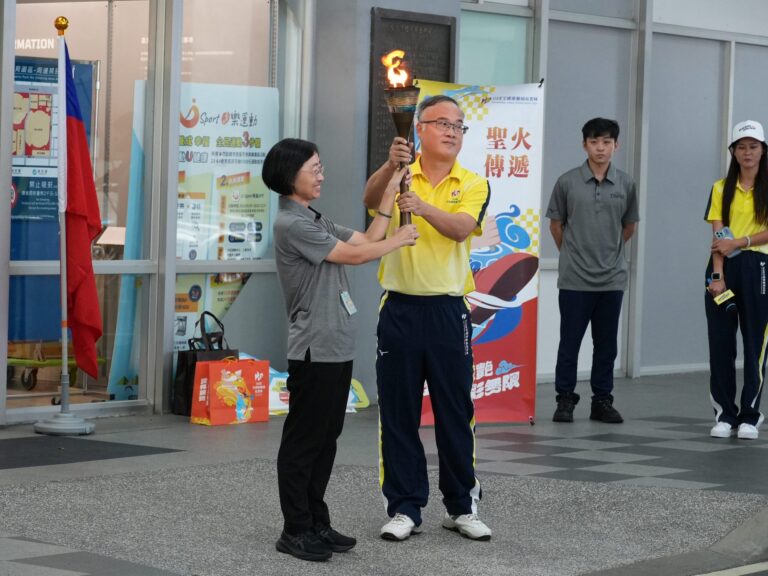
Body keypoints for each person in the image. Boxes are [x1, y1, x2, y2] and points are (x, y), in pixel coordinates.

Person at [263, 138, 418, 562]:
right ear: (289, 175)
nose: (321, 174)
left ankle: (316, 520)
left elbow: (368, 236)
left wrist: (390, 188)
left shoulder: (313, 218)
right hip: (314, 348)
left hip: (335, 346)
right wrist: (401, 238)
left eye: (320, 166)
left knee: (326, 438)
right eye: (314, 168)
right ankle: (294, 529)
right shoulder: (292, 225)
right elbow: (356, 256)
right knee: (304, 442)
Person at [363, 95, 492, 542]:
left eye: (459, 125)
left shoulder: (473, 183)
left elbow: (460, 228)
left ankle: (462, 506)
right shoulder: (401, 173)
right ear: (420, 128)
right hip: (398, 307)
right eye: (442, 123)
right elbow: (368, 199)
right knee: (398, 413)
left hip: (447, 310)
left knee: (454, 411)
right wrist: (390, 166)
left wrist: (421, 207)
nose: (453, 131)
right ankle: (404, 507)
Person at [546, 117, 639, 424]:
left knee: (607, 344)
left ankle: (602, 401)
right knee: (569, 342)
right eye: (595, 142)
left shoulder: (625, 183)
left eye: (607, 142)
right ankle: (564, 400)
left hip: (612, 278)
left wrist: (608, 252)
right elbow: (556, 225)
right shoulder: (567, 182)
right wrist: (573, 254)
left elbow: (628, 226)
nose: (601, 148)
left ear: (616, 145)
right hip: (574, 279)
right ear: (584, 144)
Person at [705, 120, 768, 440]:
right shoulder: (720, 187)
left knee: (755, 343)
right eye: (741, 146)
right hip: (723, 266)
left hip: (760, 266)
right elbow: (718, 234)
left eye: (753, 146)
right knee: (721, 344)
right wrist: (717, 275)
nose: (747, 152)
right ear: (733, 151)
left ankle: (750, 414)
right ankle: (725, 414)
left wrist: (740, 242)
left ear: (763, 150)